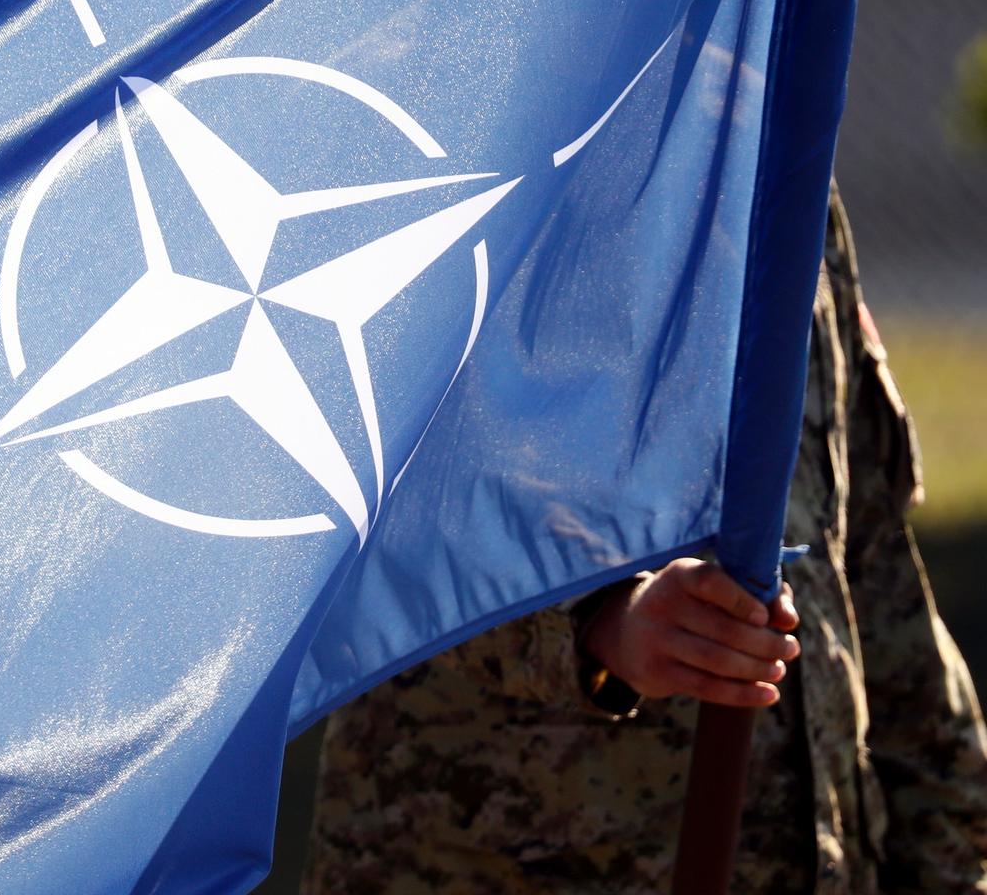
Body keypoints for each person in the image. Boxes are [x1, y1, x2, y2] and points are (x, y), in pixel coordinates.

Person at [301, 190, 987, 893]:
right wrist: (595, 625)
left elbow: (871, 572)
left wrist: (954, 858)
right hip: (499, 857)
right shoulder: (466, 146)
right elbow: (349, 507)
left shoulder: (784, 135)